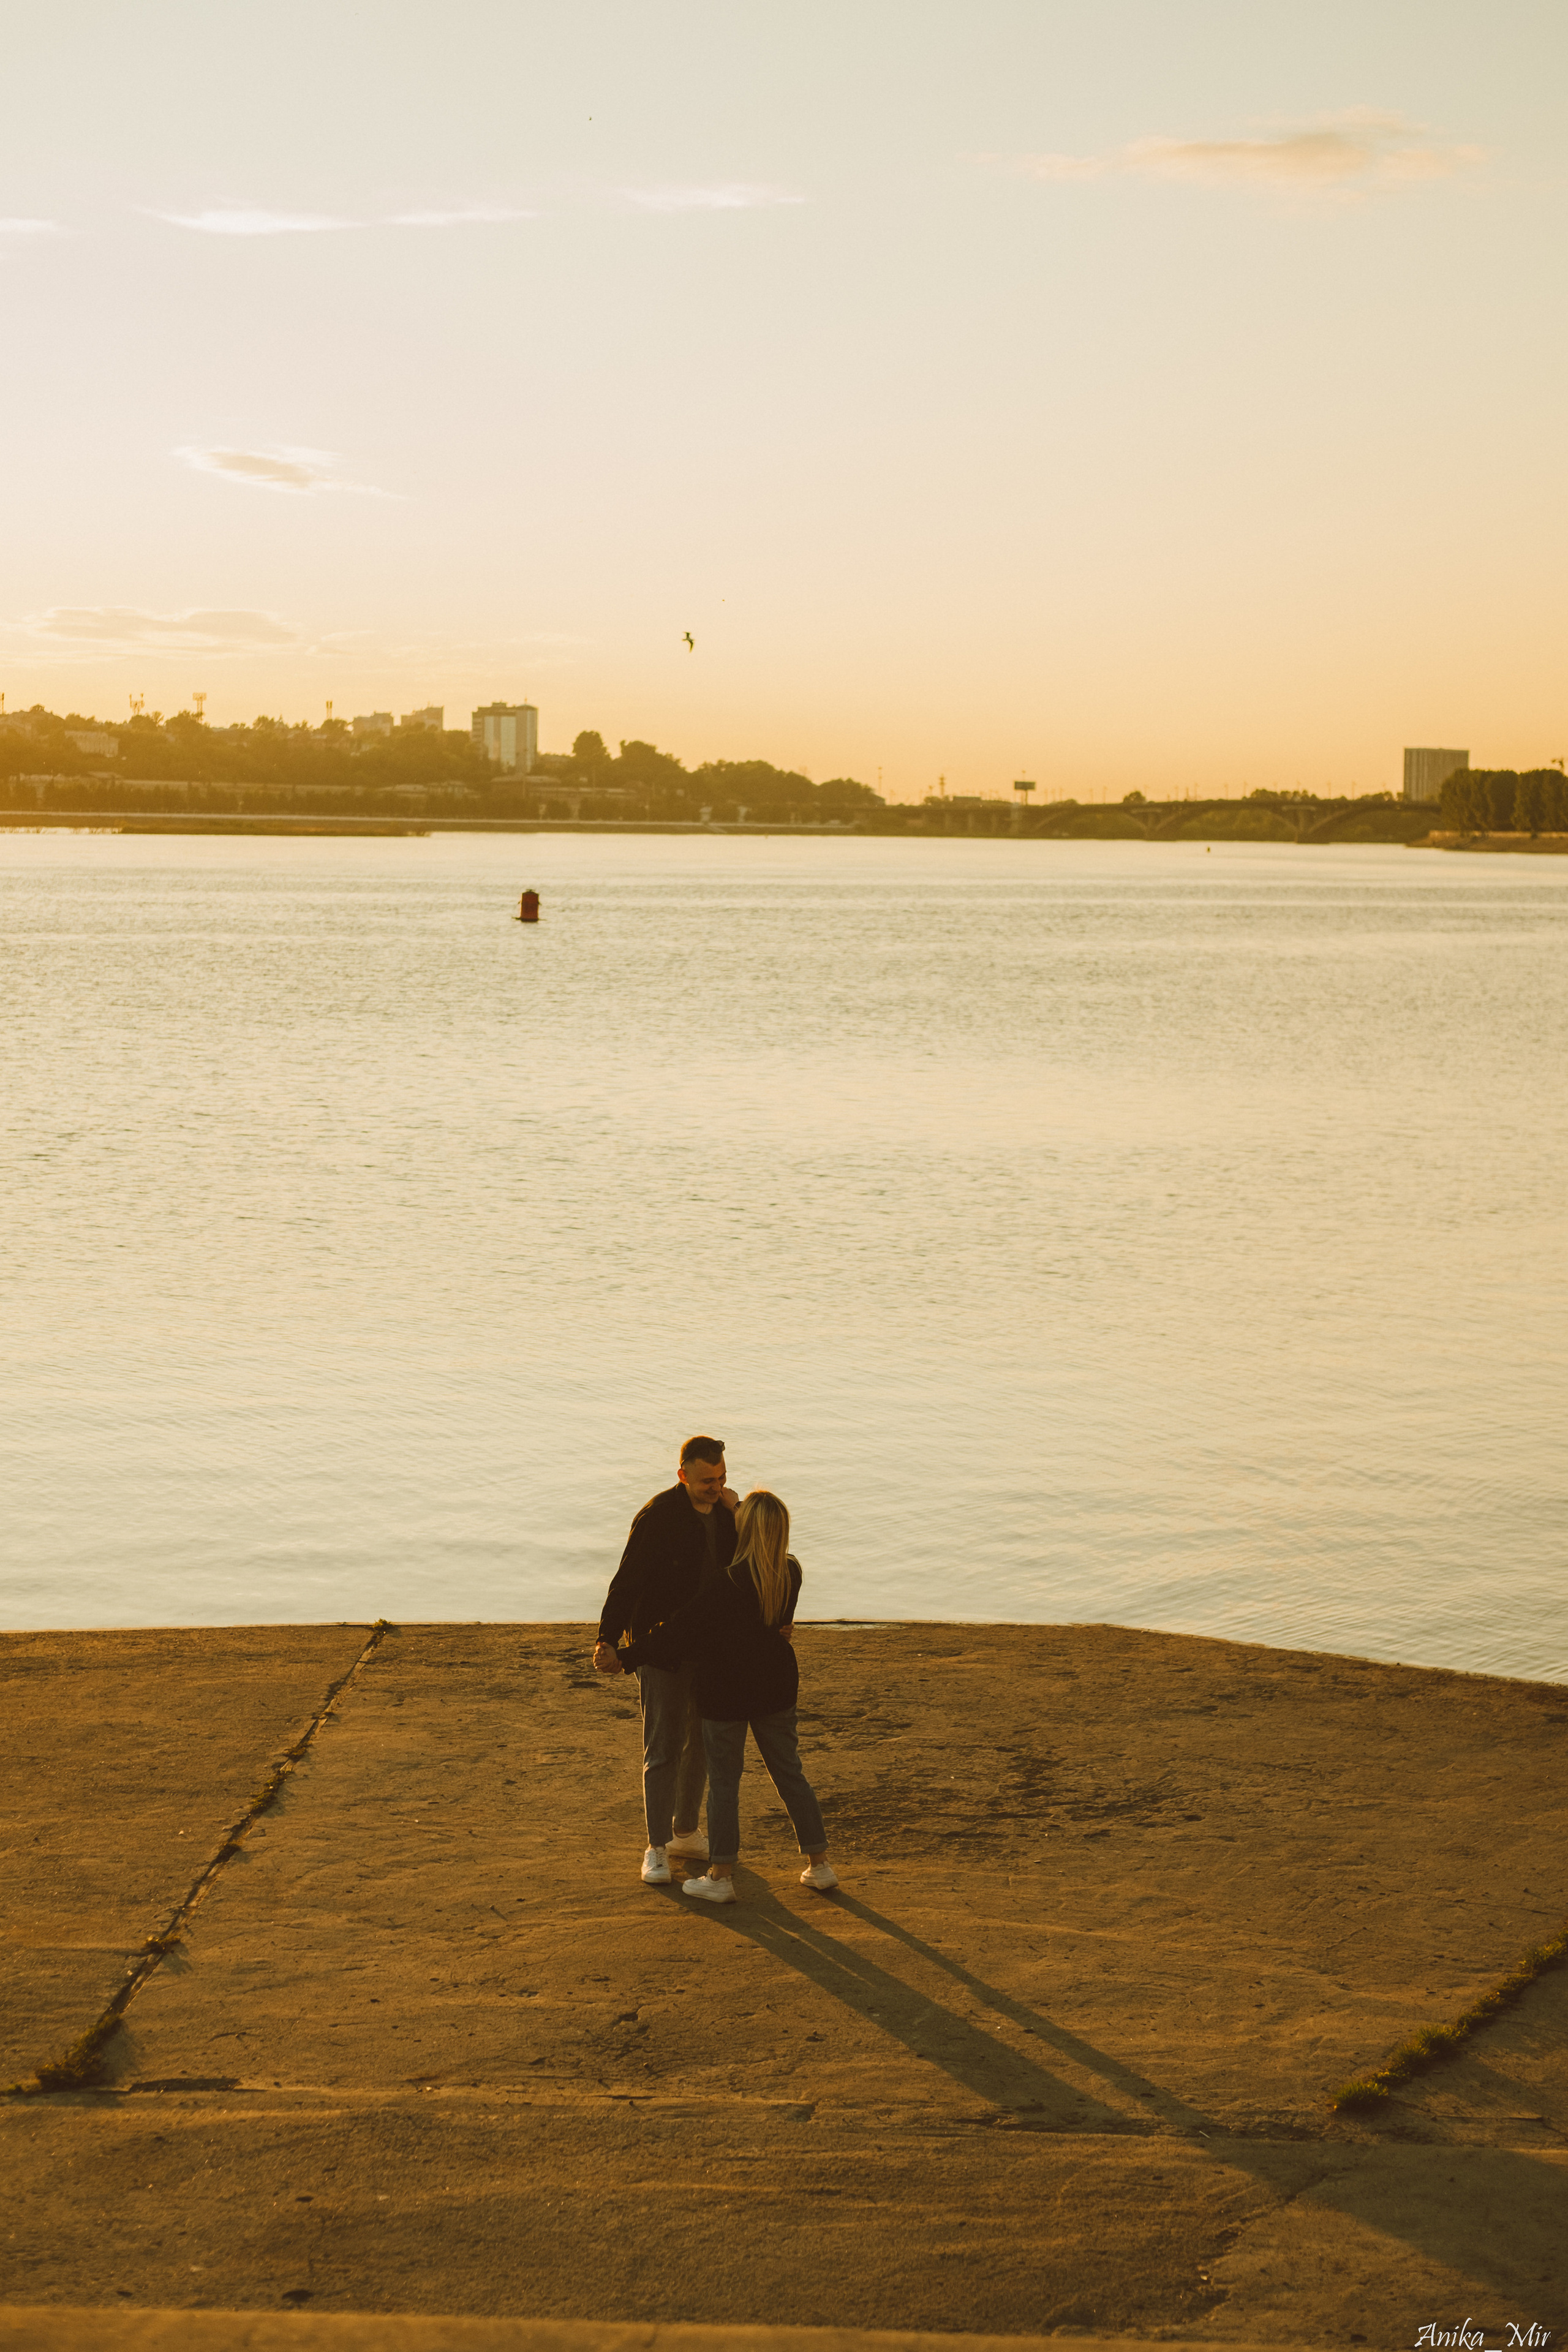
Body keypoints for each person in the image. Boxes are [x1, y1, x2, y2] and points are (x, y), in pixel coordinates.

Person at [614, 1488, 837, 1904]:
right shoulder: (791, 1572)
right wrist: (737, 1508)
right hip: (776, 1686)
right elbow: (774, 1624)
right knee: (791, 1775)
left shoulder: (726, 1582)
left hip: (727, 1690)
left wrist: (625, 1657)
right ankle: (820, 1865)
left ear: (746, 1529)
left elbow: (677, 1630)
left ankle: (721, 1874)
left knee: (724, 1785)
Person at [594, 1436, 738, 1885]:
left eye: (721, 1479)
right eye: (705, 1481)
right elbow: (628, 1581)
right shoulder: (658, 1516)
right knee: (662, 1748)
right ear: (683, 1476)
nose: (715, 1488)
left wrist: (735, 1510)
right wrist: (608, 1639)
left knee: (699, 1745)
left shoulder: (730, 1516)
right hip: (662, 1650)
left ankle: (685, 1831)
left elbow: (747, 1573)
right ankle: (655, 1847)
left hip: (712, 1650)